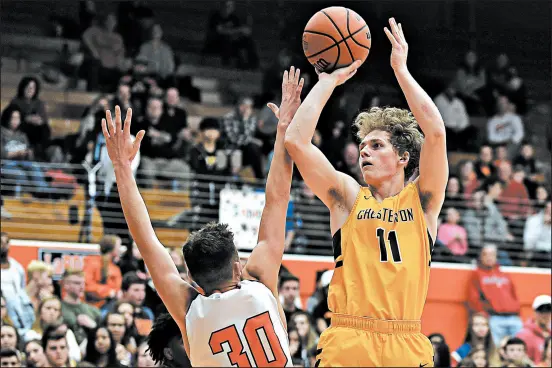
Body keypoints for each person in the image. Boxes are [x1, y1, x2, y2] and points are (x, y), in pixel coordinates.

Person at [100, 66, 304, 366]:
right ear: (238, 268)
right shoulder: (260, 284)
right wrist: (284, 128)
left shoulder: (190, 309)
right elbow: (277, 200)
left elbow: (145, 240)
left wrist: (121, 167)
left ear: (192, 279)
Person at [284, 18, 446, 366]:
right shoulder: (347, 195)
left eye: (376, 145)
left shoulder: (422, 200)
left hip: (406, 339)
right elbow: (296, 143)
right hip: (349, 337)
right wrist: (326, 82)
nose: (364, 152)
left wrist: (401, 71)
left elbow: (435, 132)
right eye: (362, 145)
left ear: (403, 157)